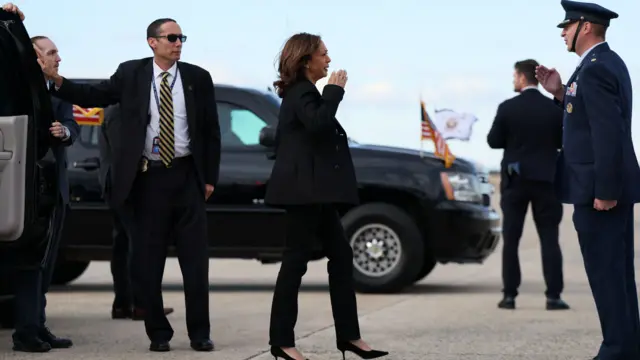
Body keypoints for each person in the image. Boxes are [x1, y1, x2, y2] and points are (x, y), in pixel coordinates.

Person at [22, 10, 220, 351]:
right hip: (149, 179)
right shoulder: (131, 73)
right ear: (152, 42)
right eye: (172, 38)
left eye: (181, 39)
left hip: (187, 177)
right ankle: (159, 334)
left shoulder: (198, 78)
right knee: (147, 262)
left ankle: (200, 333)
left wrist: (209, 178)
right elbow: (93, 96)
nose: (178, 45)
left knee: (195, 262)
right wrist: (56, 81)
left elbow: (211, 131)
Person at [264, 32, 388, 360]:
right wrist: (335, 91)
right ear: (306, 60)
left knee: (342, 258)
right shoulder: (301, 92)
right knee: (295, 264)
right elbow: (319, 124)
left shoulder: (304, 93)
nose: (329, 60)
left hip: (315, 193)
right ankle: (282, 342)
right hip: (303, 194)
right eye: (324, 54)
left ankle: (349, 336)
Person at [535, 1, 640, 359]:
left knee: (608, 275)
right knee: (617, 275)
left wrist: (606, 191)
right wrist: (561, 93)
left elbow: (607, 133)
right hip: (602, 187)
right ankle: (626, 347)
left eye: (567, 26)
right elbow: (590, 118)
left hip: (599, 191)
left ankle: (616, 351)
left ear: (586, 27)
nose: (563, 32)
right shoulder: (601, 65)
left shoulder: (595, 69)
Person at [5, 27, 80, 353]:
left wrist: (64, 131)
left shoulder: (59, 90)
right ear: (35, 58)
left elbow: (74, 127)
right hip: (24, 192)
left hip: (54, 190)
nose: (58, 58)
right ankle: (28, 328)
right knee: (28, 262)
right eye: (51, 53)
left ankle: (37, 324)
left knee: (45, 265)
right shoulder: (17, 91)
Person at [487, 59, 569, 311]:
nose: (513, 80)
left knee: (511, 239)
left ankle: (510, 295)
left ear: (522, 78)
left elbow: (493, 141)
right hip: (547, 180)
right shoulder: (553, 109)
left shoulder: (508, 107)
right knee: (550, 239)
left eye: (514, 76)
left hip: (515, 181)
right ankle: (553, 297)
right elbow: (561, 140)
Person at [98, 104, 175, 321]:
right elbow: (125, 154)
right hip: (127, 188)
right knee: (139, 244)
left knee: (123, 244)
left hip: (120, 186)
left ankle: (124, 303)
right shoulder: (123, 111)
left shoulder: (117, 110)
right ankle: (140, 304)